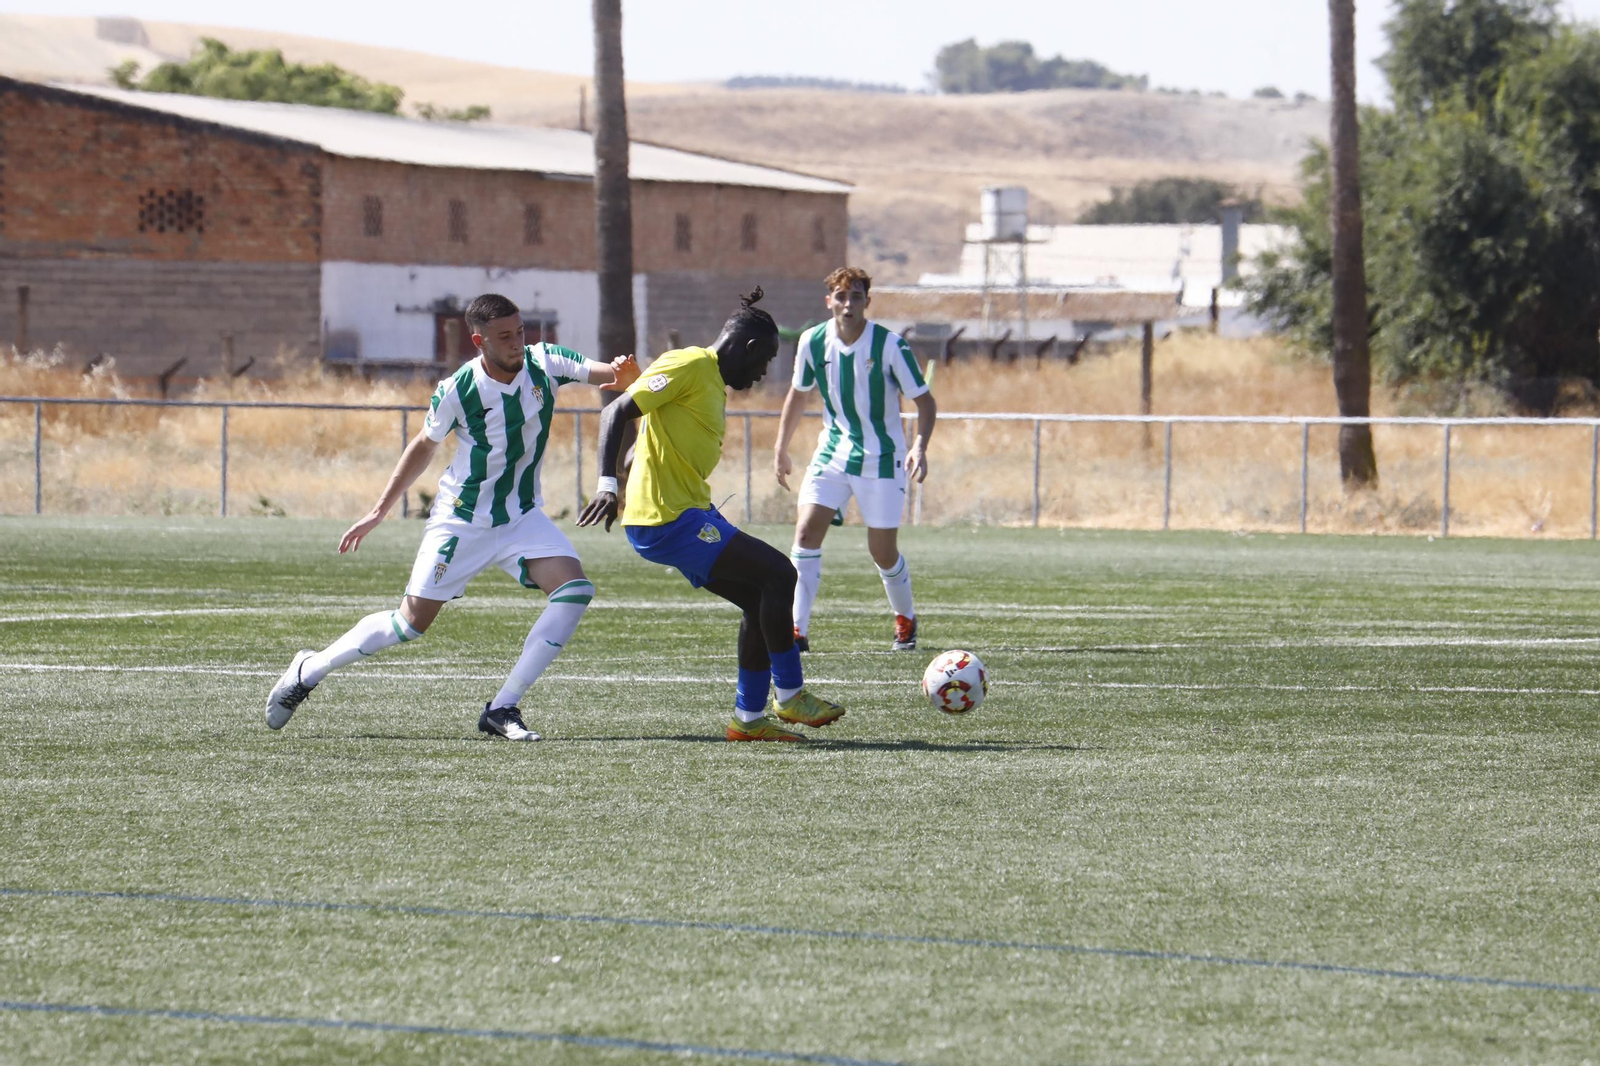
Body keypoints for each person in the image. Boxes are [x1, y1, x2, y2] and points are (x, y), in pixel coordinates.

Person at [265, 293, 638, 741]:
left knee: (575, 591)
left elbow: (608, 375)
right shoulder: (458, 389)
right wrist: (378, 511)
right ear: (479, 340)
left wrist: (625, 373)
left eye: (520, 331)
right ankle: (311, 668)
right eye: (505, 336)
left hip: (521, 517)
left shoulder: (546, 361)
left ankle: (503, 707)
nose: (518, 343)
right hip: (462, 522)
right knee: (409, 625)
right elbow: (424, 445)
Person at [576, 287, 844, 743]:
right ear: (749, 348)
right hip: (667, 519)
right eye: (763, 363)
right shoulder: (690, 364)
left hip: (688, 513)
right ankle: (791, 694)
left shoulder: (707, 380)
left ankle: (748, 719)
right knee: (780, 573)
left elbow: (654, 431)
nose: (761, 374)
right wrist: (608, 484)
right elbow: (616, 411)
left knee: (761, 599)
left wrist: (638, 456)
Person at [774, 266, 937, 652]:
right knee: (804, 534)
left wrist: (919, 446)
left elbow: (925, 401)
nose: (849, 305)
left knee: (881, 551)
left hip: (881, 458)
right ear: (829, 301)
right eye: (841, 297)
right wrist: (781, 447)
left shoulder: (889, 346)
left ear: (867, 301)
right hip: (832, 452)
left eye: (857, 297)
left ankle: (905, 619)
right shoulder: (813, 342)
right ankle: (797, 632)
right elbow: (799, 394)